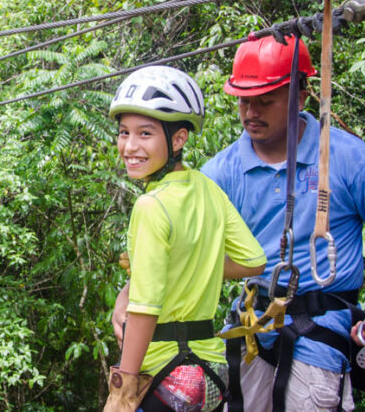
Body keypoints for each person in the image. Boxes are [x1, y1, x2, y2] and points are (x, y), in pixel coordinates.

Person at [199, 34, 365, 411]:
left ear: (300, 96)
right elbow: (181, 249)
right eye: (244, 100)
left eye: (265, 100)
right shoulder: (221, 172)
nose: (251, 111)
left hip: (321, 328)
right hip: (254, 326)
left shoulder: (348, 159)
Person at [104, 65, 266, 412]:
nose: (129, 146)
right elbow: (253, 261)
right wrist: (192, 265)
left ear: (178, 139)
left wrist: (123, 389)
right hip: (210, 376)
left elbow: (145, 311)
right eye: (123, 132)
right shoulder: (208, 189)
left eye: (145, 134)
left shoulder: (150, 205)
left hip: (164, 373)